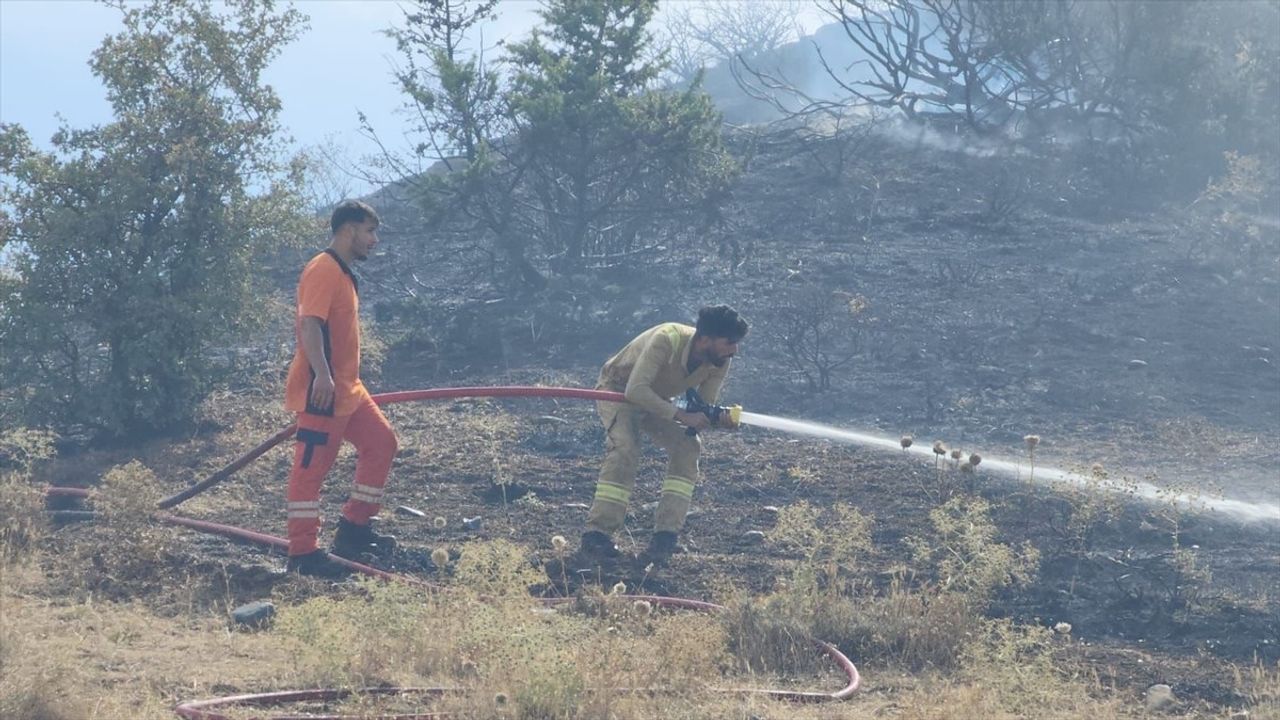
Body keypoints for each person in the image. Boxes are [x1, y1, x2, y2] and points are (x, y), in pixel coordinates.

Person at [578, 305, 748, 571]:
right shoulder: (666, 339)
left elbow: (700, 408)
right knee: (626, 449)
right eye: (730, 342)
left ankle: (666, 536)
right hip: (618, 392)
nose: (735, 350)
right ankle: (597, 535)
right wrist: (681, 415)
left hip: (658, 401)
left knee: (688, 445)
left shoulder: (719, 361)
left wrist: (717, 419)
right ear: (705, 339)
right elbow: (636, 389)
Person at [282, 200, 399, 578]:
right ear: (348, 230)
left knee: (381, 443)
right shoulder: (323, 269)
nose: (374, 240)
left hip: (349, 390)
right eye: (369, 231)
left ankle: (354, 530)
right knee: (310, 471)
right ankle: (303, 553)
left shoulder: (343, 273)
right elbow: (310, 324)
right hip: (325, 393)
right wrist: (322, 375)